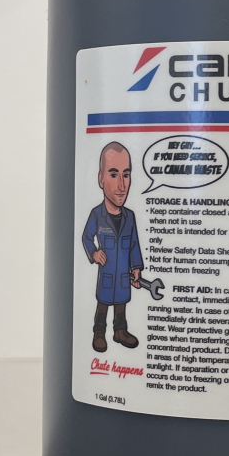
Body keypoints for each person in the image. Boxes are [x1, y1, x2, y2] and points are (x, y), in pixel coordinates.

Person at [82, 142, 143, 352]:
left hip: (123, 275)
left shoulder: (130, 217)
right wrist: (94, 253)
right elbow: (86, 237)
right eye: (114, 174)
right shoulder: (96, 215)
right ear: (101, 179)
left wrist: (137, 268)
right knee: (103, 302)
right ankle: (99, 332)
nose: (122, 186)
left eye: (126, 175)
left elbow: (134, 244)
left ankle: (120, 332)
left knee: (121, 303)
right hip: (107, 272)